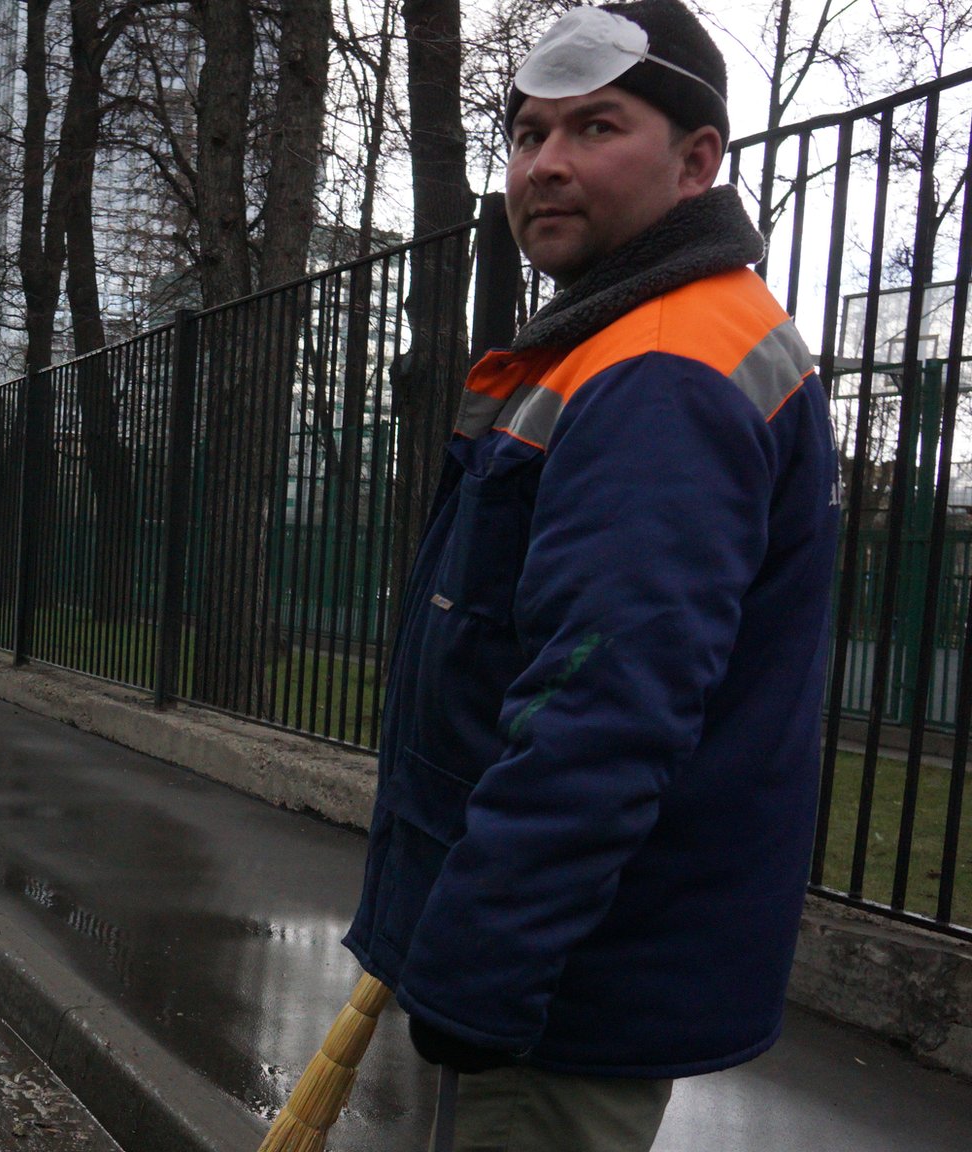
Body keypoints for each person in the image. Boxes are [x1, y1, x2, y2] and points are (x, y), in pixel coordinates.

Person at [341, 3, 838, 1148]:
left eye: (593, 128)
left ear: (695, 158)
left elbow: (599, 711)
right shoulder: (645, 336)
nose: (543, 164)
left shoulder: (659, 370)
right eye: (526, 134)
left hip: (558, 989)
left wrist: (477, 964)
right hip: (574, 961)